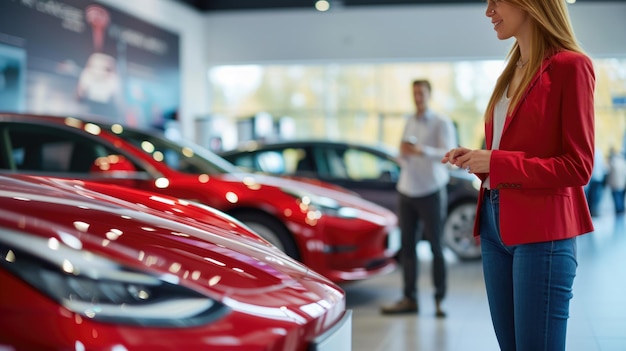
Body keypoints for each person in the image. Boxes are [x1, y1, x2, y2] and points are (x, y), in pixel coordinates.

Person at [441, 1, 595, 350]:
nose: (488, 11)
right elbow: (512, 148)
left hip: (543, 232)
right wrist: (478, 160)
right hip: (496, 224)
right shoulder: (512, 70)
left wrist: (496, 162)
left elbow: (578, 165)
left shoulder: (572, 66)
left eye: (496, 1)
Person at [380, 79, 457, 318]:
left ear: (429, 94)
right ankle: (409, 298)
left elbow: (449, 154)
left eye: (421, 93)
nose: (418, 97)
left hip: (431, 190)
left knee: (436, 247)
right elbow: (405, 155)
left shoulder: (441, 122)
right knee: (408, 248)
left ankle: (439, 300)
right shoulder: (409, 121)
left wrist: (422, 151)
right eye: (415, 93)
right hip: (407, 189)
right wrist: (400, 156)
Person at [607, 147, 626, 214]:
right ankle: (621, 210)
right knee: (621, 198)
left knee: (617, 199)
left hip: (615, 184)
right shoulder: (623, 162)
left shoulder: (613, 162)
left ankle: (619, 211)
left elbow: (610, 174)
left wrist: (609, 183)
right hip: (622, 184)